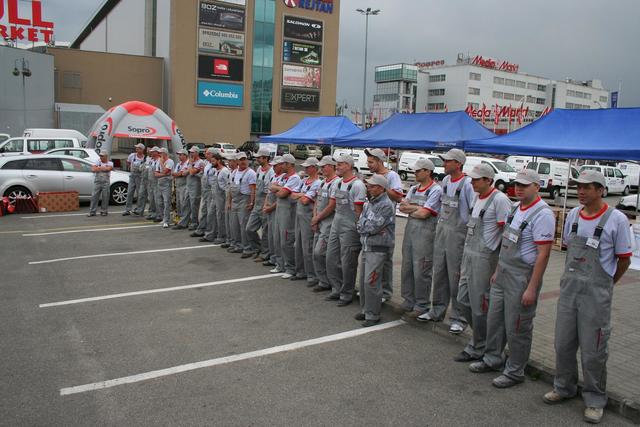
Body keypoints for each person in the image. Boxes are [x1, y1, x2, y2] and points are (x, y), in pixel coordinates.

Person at [542, 170, 631, 424]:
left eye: (587, 187)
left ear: (601, 190)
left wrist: (607, 283)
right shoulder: (572, 215)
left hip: (596, 296)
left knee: (594, 350)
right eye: (578, 187)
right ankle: (564, 387)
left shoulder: (616, 219)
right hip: (569, 292)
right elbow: (568, 247)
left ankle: (594, 399)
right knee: (563, 344)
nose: (580, 192)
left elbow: (624, 259)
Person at [469, 168, 555, 389]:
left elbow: (543, 254)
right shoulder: (515, 208)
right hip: (503, 272)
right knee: (495, 320)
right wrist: (498, 270)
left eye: (524, 185)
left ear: (537, 187)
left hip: (521, 277)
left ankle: (515, 371)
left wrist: (532, 288)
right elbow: (506, 242)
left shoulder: (543, 214)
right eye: (517, 184)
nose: (519, 188)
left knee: (517, 326)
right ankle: (492, 359)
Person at [454, 163, 512, 363]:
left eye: (477, 180)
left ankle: (481, 345)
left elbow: (506, 235)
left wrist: (499, 266)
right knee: (463, 300)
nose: (472, 183)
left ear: (489, 180)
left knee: (480, 306)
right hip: (469, 254)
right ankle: (482, 340)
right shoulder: (476, 197)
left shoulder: (500, 200)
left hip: (485, 258)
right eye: (472, 179)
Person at [418, 148, 475, 335]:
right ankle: (437, 310)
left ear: (458, 164)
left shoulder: (467, 184)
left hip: (457, 235)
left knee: (455, 276)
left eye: (448, 161)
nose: (444, 164)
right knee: (440, 273)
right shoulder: (445, 181)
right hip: (442, 231)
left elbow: (473, 212)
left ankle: (459, 318)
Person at [398, 158, 442, 317]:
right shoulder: (414, 188)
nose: (414, 173)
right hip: (410, 233)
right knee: (407, 267)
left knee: (422, 269)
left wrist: (413, 209)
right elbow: (402, 207)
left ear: (428, 171)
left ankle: (422, 304)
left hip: (425, 235)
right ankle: (408, 300)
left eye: (418, 171)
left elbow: (424, 214)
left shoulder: (436, 190)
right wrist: (417, 208)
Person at [354, 174, 396, 327]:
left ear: (380, 188)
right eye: (368, 186)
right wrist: (364, 225)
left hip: (378, 248)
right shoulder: (369, 203)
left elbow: (373, 227)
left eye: (372, 186)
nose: (369, 188)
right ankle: (366, 310)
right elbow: (360, 223)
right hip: (367, 245)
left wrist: (364, 225)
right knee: (364, 282)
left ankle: (373, 314)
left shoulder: (386, 205)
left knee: (371, 281)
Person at [325, 154, 367, 306]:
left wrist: (358, 229)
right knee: (330, 257)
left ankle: (347, 293)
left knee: (348, 261)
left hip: (350, 225)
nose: (337, 167)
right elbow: (333, 204)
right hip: (337, 222)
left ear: (349, 166)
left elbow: (359, 211)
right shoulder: (337, 183)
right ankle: (336, 288)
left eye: (340, 164)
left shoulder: (358, 185)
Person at [365, 148, 404, 302]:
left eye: (371, 162)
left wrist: (381, 187)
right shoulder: (373, 176)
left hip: (386, 223)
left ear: (379, 161)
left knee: (385, 259)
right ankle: (373, 289)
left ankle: (386, 292)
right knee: (372, 259)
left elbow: (398, 197)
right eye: (368, 162)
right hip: (372, 221)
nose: (368, 165)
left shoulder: (392, 175)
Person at [270, 154, 301, 278]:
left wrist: (279, 189)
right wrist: (281, 189)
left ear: (289, 164)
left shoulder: (295, 178)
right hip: (280, 210)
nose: (280, 166)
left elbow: (281, 193)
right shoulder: (283, 176)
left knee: (286, 240)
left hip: (288, 212)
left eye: (283, 163)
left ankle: (290, 267)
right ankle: (280, 264)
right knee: (277, 238)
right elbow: (271, 187)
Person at [311, 155, 339, 292]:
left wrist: (317, 218)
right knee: (315, 252)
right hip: (319, 221)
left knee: (320, 252)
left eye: (324, 166)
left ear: (332, 166)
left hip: (328, 223)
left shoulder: (336, 182)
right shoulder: (323, 182)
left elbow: (331, 206)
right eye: (321, 167)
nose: (321, 169)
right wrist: (315, 217)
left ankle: (329, 281)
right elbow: (317, 200)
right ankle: (322, 280)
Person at [291, 157, 322, 285]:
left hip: (308, 216)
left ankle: (312, 275)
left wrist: (301, 195)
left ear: (314, 167)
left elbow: (304, 200)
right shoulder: (304, 180)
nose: (305, 169)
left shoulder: (318, 183)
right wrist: (304, 195)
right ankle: (300, 271)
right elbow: (293, 195)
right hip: (299, 214)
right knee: (298, 244)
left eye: (308, 167)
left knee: (307, 245)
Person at [246, 148, 275, 261]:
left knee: (265, 232)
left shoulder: (271, 172)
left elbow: (270, 192)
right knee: (249, 229)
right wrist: (252, 202)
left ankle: (265, 254)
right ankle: (258, 248)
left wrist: (266, 206)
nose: (257, 159)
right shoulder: (259, 169)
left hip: (265, 204)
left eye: (259, 157)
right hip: (257, 204)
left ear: (266, 158)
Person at [227, 152, 257, 257]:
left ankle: (247, 248)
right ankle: (238, 245)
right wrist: (229, 202)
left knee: (243, 225)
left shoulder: (251, 173)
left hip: (245, 200)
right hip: (235, 200)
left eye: (244, 159)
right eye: (241, 160)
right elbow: (230, 188)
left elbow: (253, 189)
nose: (243, 161)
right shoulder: (234, 172)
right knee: (234, 224)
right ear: (237, 161)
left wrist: (252, 202)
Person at [201, 152, 230, 244]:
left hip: (221, 197)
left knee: (220, 216)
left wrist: (228, 200)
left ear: (219, 161)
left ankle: (222, 236)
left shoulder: (224, 171)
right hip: (214, 196)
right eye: (211, 161)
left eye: (213, 161)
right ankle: (210, 234)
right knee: (211, 215)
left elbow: (228, 186)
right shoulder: (216, 171)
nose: (212, 163)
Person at [262, 156, 285, 269]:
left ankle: (279, 261)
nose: (274, 168)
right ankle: (272, 257)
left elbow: (280, 197)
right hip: (269, 208)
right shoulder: (273, 176)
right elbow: (269, 192)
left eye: (276, 166)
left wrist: (270, 207)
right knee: (270, 235)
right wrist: (265, 204)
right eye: (273, 166)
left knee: (277, 236)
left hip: (276, 209)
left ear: (281, 165)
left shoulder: (283, 178)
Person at [175, 147, 204, 230]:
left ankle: (194, 223)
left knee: (194, 204)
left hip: (195, 186)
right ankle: (184, 222)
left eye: (193, 152)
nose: (191, 154)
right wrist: (190, 169)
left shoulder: (200, 162)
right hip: (188, 185)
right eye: (190, 152)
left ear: (197, 153)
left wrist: (190, 165)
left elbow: (191, 172)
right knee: (186, 204)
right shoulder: (190, 162)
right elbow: (184, 173)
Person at [192, 148, 216, 237]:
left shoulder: (215, 165)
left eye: (208, 154)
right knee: (204, 211)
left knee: (210, 212)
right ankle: (201, 229)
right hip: (205, 190)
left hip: (210, 191)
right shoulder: (207, 164)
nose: (206, 155)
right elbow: (203, 174)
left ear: (213, 154)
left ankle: (210, 232)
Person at [123, 143, 146, 216]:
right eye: (136, 148)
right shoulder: (132, 155)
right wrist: (131, 168)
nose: (136, 149)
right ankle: (127, 210)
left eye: (138, 148)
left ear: (142, 150)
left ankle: (138, 209)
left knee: (140, 194)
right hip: (132, 176)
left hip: (140, 177)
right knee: (130, 193)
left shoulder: (145, 158)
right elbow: (128, 162)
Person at [87, 151, 113, 217]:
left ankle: (104, 211)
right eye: (100, 156)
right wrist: (103, 168)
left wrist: (98, 168)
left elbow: (109, 168)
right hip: (97, 181)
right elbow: (93, 169)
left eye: (102, 156)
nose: (100, 157)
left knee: (105, 196)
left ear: (106, 156)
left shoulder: (110, 163)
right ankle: (92, 211)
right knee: (94, 196)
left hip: (105, 182)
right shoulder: (97, 161)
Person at [221, 153, 239, 249]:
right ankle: (230, 240)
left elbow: (235, 189)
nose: (228, 162)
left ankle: (235, 242)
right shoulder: (231, 172)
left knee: (233, 223)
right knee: (228, 221)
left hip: (235, 199)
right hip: (228, 197)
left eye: (230, 161)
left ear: (236, 162)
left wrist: (230, 201)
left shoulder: (237, 172)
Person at [153, 148, 174, 228]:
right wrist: (164, 174)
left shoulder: (170, 161)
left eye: (161, 153)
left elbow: (165, 170)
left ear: (165, 153)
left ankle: (166, 220)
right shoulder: (159, 161)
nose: (159, 155)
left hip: (167, 183)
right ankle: (163, 217)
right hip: (160, 183)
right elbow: (156, 174)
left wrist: (161, 163)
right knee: (159, 202)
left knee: (166, 202)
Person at [172, 149, 189, 225]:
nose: (179, 156)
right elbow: (174, 173)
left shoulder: (187, 163)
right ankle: (180, 219)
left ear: (185, 155)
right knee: (178, 203)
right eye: (179, 155)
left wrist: (177, 174)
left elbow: (181, 174)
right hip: (178, 185)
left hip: (184, 186)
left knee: (183, 203)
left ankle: (185, 220)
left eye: (180, 155)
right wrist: (177, 174)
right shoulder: (179, 164)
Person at [144, 147, 160, 220]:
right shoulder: (151, 161)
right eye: (151, 152)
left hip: (156, 182)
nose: (151, 153)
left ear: (157, 152)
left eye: (153, 152)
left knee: (157, 199)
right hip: (150, 182)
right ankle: (152, 213)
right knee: (151, 199)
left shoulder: (159, 161)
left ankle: (159, 214)